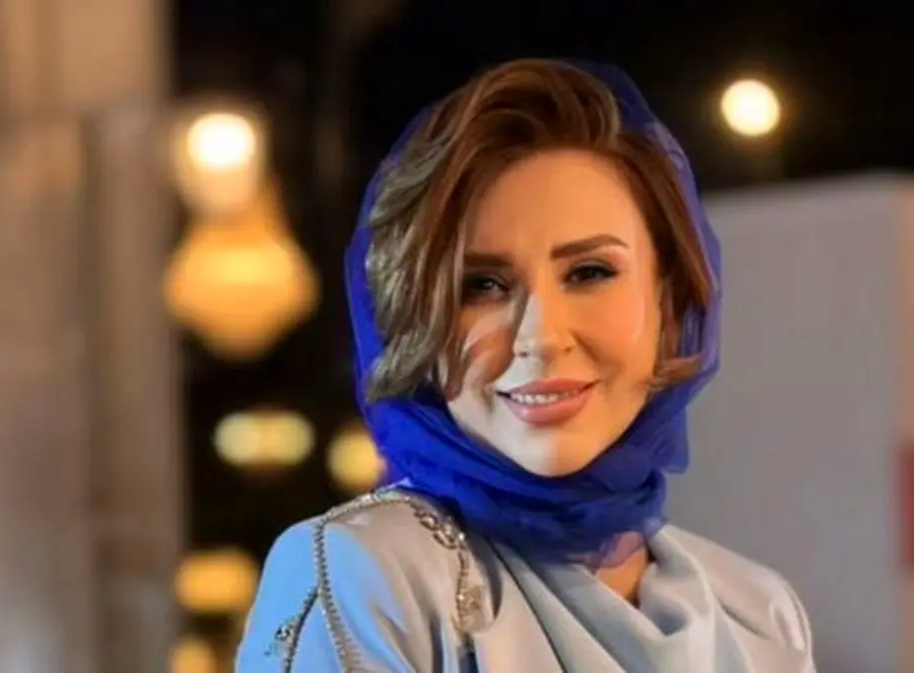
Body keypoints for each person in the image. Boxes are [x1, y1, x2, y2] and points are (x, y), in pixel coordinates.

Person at [236, 59, 816, 673]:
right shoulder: (367, 573)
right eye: (482, 285)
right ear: (414, 319)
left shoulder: (756, 610)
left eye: (589, 273)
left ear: (668, 303)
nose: (539, 338)